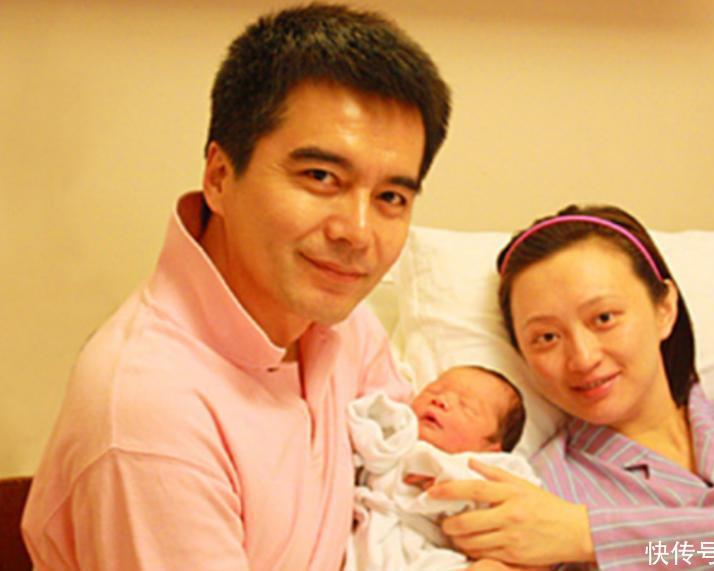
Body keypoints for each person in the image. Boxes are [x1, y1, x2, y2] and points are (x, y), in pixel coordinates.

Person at [22, 4, 451, 570]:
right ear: (220, 177)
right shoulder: (151, 417)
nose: (357, 232)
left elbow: (406, 476)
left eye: (391, 197)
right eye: (321, 177)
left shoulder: (344, 322)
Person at [429, 205, 714, 570]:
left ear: (664, 308)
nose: (583, 358)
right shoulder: (538, 489)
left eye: (604, 318)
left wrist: (588, 535)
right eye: (546, 337)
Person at [347, 366, 538, 570]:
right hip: (372, 532)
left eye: (466, 406)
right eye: (434, 390)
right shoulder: (400, 429)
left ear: (492, 448)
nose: (441, 401)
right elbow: (365, 431)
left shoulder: (488, 468)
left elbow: (522, 509)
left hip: (434, 551)